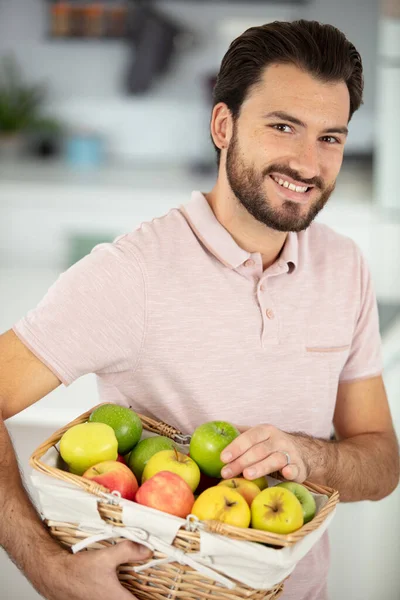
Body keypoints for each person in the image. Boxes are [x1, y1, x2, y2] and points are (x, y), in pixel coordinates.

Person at [0, 19, 399, 600]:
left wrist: (307, 455)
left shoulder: (344, 268)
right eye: (283, 126)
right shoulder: (132, 273)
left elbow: (381, 461)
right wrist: (44, 566)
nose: (308, 164)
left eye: (329, 138)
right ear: (222, 125)